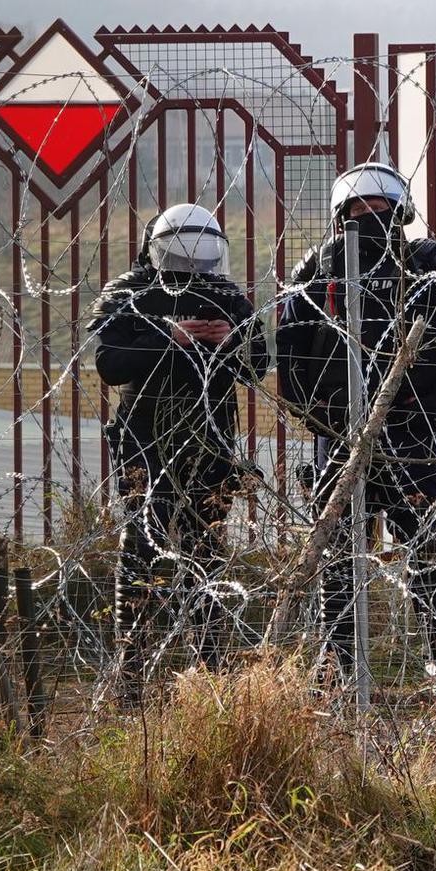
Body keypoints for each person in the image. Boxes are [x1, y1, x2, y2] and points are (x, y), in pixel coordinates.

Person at [277, 162, 436, 684]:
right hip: (340, 433)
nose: (369, 216)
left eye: (380, 208)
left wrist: (426, 397)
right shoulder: (318, 269)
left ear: (401, 213)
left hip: (413, 428)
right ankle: (341, 660)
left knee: (425, 541)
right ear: (340, 215)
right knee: (339, 547)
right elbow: (290, 350)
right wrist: (320, 414)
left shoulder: (431, 264)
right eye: (358, 208)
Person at [90, 203, 269, 705]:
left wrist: (231, 341)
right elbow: (110, 364)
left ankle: (209, 671)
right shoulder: (131, 291)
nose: (193, 269)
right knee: (140, 551)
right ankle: (130, 674)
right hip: (144, 442)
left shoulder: (226, 295)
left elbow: (260, 365)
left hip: (211, 445)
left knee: (206, 555)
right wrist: (171, 337)